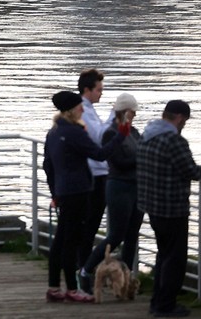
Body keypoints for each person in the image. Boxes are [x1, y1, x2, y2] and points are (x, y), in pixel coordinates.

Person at [43, 90, 128, 303]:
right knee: (71, 240)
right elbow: (99, 154)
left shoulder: (54, 132)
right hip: (78, 191)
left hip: (63, 191)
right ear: (72, 110)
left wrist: (55, 193)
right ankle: (72, 289)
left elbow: (48, 165)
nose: (83, 108)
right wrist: (121, 134)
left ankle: (54, 287)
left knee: (60, 240)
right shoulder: (74, 132)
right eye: (79, 106)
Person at [138, 99, 201, 318]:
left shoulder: (147, 135)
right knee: (175, 259)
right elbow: (191, 171)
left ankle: (157, 301)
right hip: (172, 208)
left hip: (152, 206)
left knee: (163, 255)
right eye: (185, 121)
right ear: (180, 117)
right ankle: (166, 306)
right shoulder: (174, 141)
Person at [78, 92, 144, 293]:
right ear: (123, 112)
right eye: (132, 112)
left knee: (132, 235)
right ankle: (85, 271)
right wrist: (140, 160)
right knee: (115, 235)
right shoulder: (111, 133)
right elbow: (117, 162)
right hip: (119, 186)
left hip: (136, 187)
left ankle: (127, 279)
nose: (134, 116)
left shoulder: (134, 132)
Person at [76, 68, 109, 272]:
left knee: (90, 223)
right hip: (94, 174)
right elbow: (98, 136)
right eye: (98, 89)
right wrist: (116, 117)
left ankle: (83, 264)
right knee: (90, 222)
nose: (101, 93)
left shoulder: (88, 109)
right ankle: (84, 266)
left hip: (97, 171)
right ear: (87, 89)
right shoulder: (84, 111)